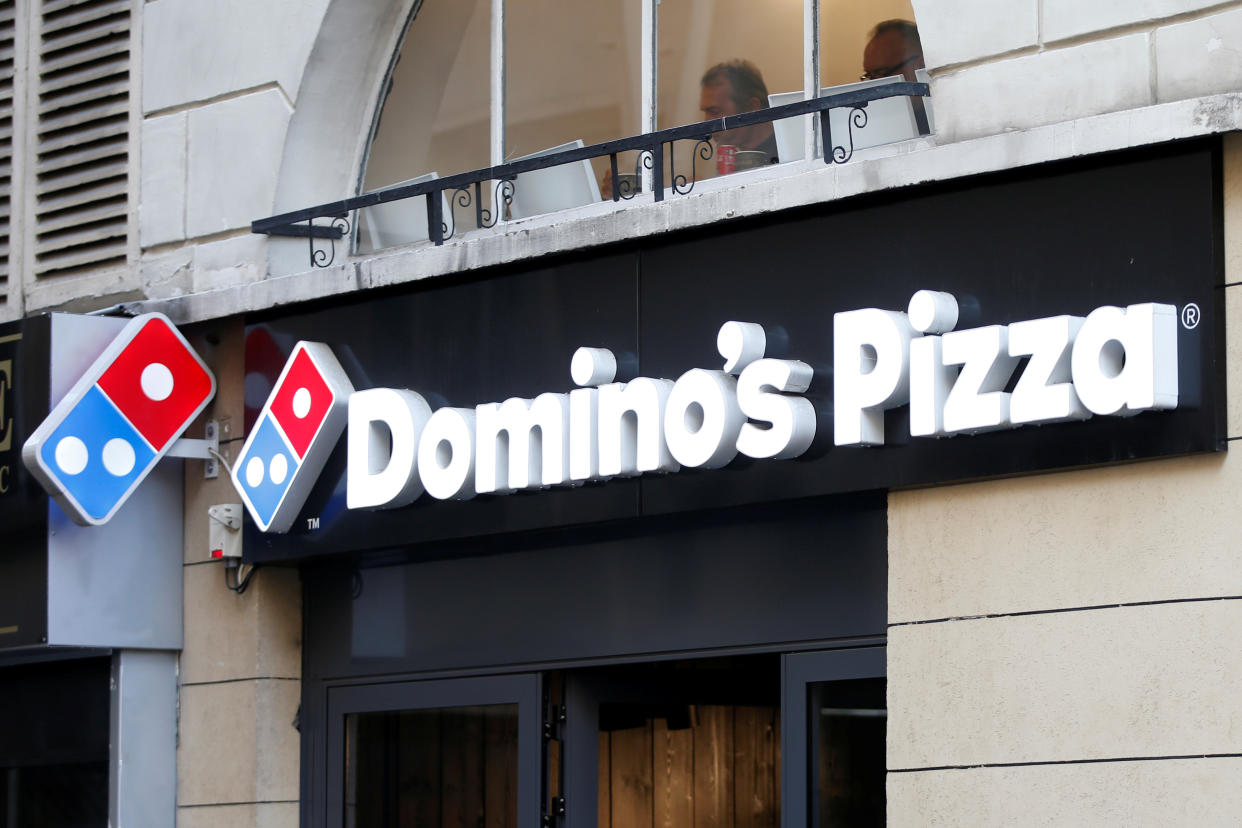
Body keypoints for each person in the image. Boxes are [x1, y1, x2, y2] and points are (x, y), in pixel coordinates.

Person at [698, 59, 778, 165]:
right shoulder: (736, 161)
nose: (707, 122)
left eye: (714, 111)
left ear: (752, 107)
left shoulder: (790, 154)